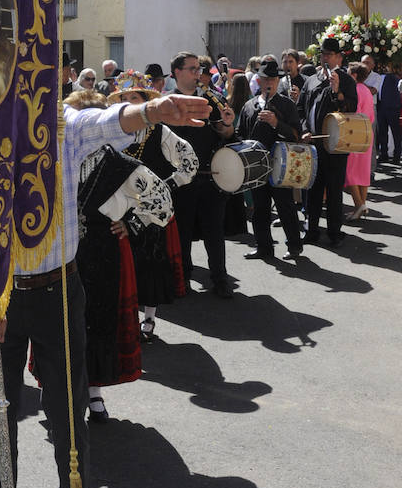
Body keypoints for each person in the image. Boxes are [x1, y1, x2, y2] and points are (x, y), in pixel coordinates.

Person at [0, 87, 211, 488]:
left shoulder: (60, 125)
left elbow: (107, 121)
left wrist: (152, 111)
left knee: (69, 411)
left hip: (58, 291)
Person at [70, 88, 173, 420]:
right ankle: (58, 388)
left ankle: (94, 394)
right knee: (61, 321)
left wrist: (132, 223)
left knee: (97, 321)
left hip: (102, 254)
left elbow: (163, 203)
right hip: (62, 253)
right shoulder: (57, 159)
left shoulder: (123, 166)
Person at [116, 76, 196, 342]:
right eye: (123, 100)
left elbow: (189, 160)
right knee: (122, 267)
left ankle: (148, 319)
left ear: (146, 103)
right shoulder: (115, 132)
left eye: (134, 99)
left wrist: (168, 185)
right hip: (119, 210)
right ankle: (124, 319)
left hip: (150, 213)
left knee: (150, 267)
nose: (128, 104)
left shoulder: (160, 132)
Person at [165, 51, 236, 297]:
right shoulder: (165, 103)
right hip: (179, 181)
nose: (199, 73)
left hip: (209, 177)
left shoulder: (211, 99)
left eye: (199, 69)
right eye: (193, 69)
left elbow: (226, 134)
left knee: (214, 232)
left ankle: (220, 279)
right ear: (177, 72)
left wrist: (227, 124)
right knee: (181, 233)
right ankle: (182, 279)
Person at [236, 57, 304, 259]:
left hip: (280, 165)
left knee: (285, 207)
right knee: (260, 209)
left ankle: (294, 245)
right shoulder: (249, 105)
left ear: (277, 82)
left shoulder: (286, 105)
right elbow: (241, 133)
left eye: (273, 80)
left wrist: (276, 123)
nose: (269, 83)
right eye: (265, 79)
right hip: (257, 165)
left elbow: (296, 135)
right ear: (259, 80)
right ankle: (264, 246)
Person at [298, 37, 358, 247]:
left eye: (329, 55)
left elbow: (351, 110)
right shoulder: (312, 79)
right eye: (322, 54)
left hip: (335, 145)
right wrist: (304, 129)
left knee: (334, 191)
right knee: (313, 190)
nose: (325, 58)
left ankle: (334, 231)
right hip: (313, 144)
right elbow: (301, 109)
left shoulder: (347, 80)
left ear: (339, 58)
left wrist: (337, 92)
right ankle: (311, 229)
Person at [345, 63, 376, 219]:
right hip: (366, 130)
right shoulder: (366, 90)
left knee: (350, 171)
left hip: (355, 131)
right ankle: (362, 206)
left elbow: (353, 112)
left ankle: (359, 204)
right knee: (362, 172)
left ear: (354, 75)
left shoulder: (355, 90)